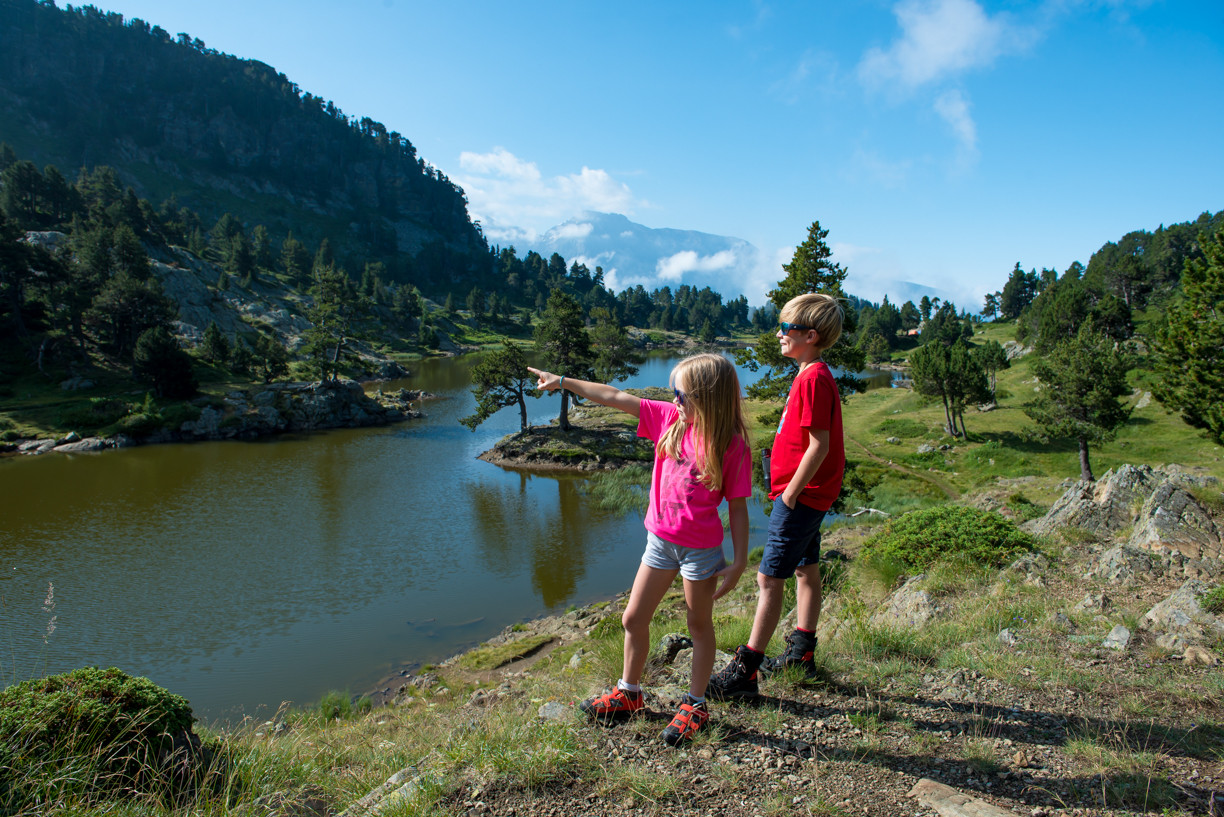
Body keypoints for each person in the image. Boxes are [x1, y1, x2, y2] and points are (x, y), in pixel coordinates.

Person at [528, 354, 751, 745]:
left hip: (700, 551)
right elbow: (613, 395)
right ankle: (629, 694)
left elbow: (737, 506)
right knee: (633, 618)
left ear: (707, 398)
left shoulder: (730, 444)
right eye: (674, 393)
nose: (675, 399)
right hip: (659, 543)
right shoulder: (669, 418)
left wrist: (739, 560)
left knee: (698, 626)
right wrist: (562, 380)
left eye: (681, 394)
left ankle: (695, 704)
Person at [707, 293, 845, 699]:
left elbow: (818, 445)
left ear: (811, 335)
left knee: (768, 578)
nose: (779, 334)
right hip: (807, 495)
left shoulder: (814, 378)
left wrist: (789, 496)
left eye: (786, 328)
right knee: (806, 568)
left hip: (801, 497)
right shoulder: (808, 373)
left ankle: (745, 672)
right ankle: (802, 653)